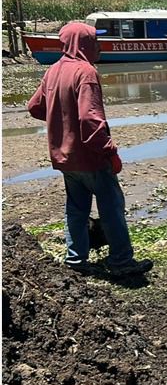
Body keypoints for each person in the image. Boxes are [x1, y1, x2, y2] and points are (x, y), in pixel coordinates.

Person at [27, 23, 153, 277]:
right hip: (91, 157)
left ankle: (76, 260)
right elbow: (89, 120)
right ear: (82, 43)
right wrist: (110, 152)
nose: (99, 46)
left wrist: (63, 122)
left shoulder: (53, 71)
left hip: (65, 157)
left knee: (76, 209)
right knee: (112, 207)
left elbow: (35, 107)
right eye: (95, 41)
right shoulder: (86, 72)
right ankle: (121, 261)